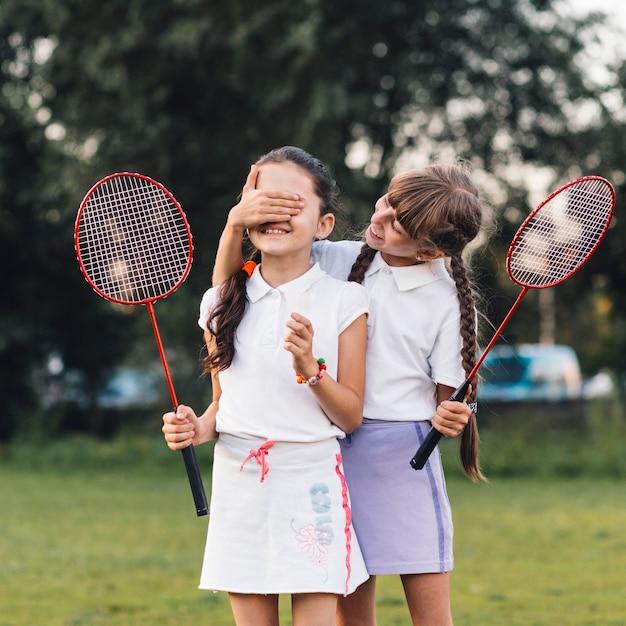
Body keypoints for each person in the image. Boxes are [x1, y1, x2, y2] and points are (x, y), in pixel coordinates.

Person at [211, 159, 486, 626]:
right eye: (387, 203)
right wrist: (237, 220)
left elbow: (450, 401)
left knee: (431, 614)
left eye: (396, 223)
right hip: (331, 452)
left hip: (403, 458)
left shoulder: (446, 299)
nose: (378, 219)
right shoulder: (335, 257)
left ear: (429, 252)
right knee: (350, 616)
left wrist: (454, 416)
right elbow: (233, 289)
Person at [162, 146, 370, 626]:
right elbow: (220, 408)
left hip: (311, 483)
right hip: (241, 487)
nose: (274, 213)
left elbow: (350, 415)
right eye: (263, 201)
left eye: (291, 202)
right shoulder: (221, 300)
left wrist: (309, 367)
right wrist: (195, 429)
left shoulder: (346, 300)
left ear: (323, 224)